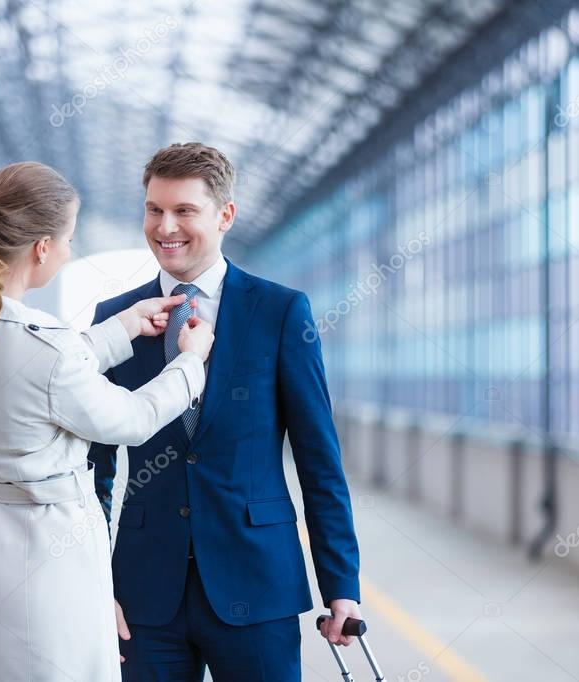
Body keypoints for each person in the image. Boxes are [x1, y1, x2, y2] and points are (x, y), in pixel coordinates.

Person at [0, 161, 214, 681]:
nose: (69, 251)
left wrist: (120, 328)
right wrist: (190, 362)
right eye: (68, 238)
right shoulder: (45, 347)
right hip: (43, 551)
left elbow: (25, 373)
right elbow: (130, 419)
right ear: (42, 248)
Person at [88, 142, 362, 681]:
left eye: (184, 210)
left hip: (258, 584)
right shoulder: (114, 319)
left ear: (225, 215)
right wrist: (94, 584)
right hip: (142, 595)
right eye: (154, 209)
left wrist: (342, 586)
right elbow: (93, 467)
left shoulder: (281, 311)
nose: (165, 226)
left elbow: (318, 460)